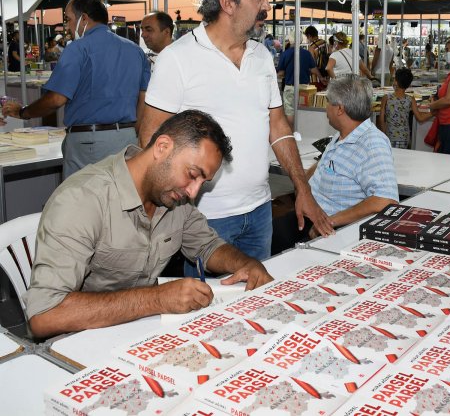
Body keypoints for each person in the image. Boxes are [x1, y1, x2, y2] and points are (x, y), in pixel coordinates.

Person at [139, 0, 333, 268]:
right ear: (228, 2)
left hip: (259, 212)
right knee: (206, 312)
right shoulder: (178, 58)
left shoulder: (261, 57)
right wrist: (178, 206)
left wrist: (302, 188)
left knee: (258, 302)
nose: (266, 7)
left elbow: (278, 126)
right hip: (205, 220)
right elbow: (151, 137)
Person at [24, 110, 274, 338]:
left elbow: (207, 246)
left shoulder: (174, 197)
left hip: (142, 331)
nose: (193, 191)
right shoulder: (82, 200)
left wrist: (245, 264)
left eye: (202, 183)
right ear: (162, 147)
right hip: (82, 338)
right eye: (192, 175)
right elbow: (45, 315)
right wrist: (156, 299)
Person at [2, 0, 150, 179]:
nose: (68, 26)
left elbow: (56, 99)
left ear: (84, 18)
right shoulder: (135, 50)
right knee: (120, 199)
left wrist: (23, 112)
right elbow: (144, 97)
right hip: (127, 139)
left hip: (89, 142)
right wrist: (132, 131)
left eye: (69, 19)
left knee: (82, 202)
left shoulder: (79, 48)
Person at [272, 75, 398, 253]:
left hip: (333, 228)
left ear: (339, 109)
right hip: (313, 213)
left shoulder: (371, 144)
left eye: (328, 102)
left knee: (271, 242)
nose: (326, 109)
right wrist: (303, 187)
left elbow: (385, 200)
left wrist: (329, 222)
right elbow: (326, 164)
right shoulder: (342, 135)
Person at [378, 67, 432, 148]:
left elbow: (381, 119)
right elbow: (420, 118)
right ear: (409, 85)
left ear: (395, 81)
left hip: (390, 136)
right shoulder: (411, 99)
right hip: (404, 137)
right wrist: (433, 113)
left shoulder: (386, 98)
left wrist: (383, 133)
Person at [276, 34, 324, 125]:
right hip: (304, 88)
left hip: (290, 87)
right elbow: (313, 69)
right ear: (301, 41)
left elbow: (281, 73)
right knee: (303, 110)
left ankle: (292, 132)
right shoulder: (306, 53)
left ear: (289, 41)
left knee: (290, 111)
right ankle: (303, 131)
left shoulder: (285, 54)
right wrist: (321, 78)